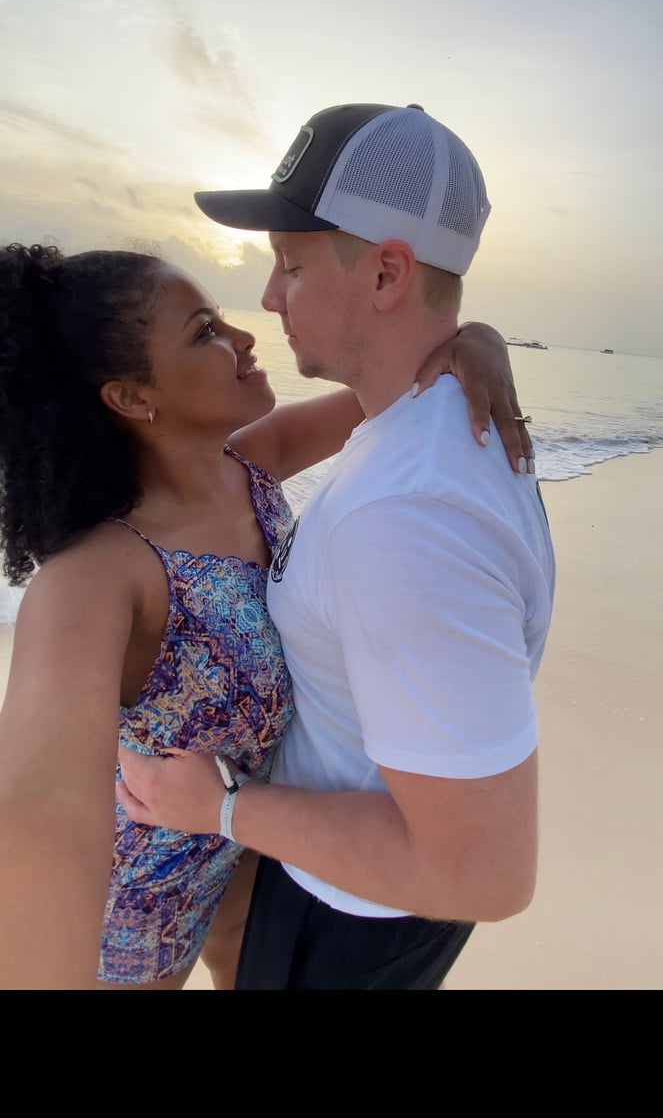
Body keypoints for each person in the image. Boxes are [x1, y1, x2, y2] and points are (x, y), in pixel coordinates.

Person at [0, 235, 529, 991]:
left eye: (218, 318)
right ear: (129, 395)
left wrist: (478, 341)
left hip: (245, 855)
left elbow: (393, 382)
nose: (243, 335)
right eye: (204, 332)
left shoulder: (245, 468)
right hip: (132, 920)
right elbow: (39, 804)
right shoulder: (95, 576)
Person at [117, 100, 556, 992]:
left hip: (352, 913)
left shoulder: (406, 520)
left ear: (387, 273)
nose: (269, 298)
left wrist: (223, 807)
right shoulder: (425, 420)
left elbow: (483, 873)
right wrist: (469, 338)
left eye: (290, 266)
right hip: (339, 876)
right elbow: (255, 455)